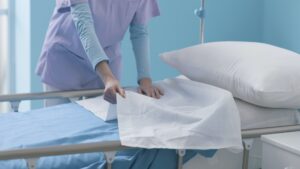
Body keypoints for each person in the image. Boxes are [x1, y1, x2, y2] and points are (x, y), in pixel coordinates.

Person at [36, 0, 163, 106]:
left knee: (106, 126)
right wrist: (107, 76)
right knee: (59, 125)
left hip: (107, 57)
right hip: (65, 56)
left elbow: (139, 31)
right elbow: (83, 23)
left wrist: (145, 79)